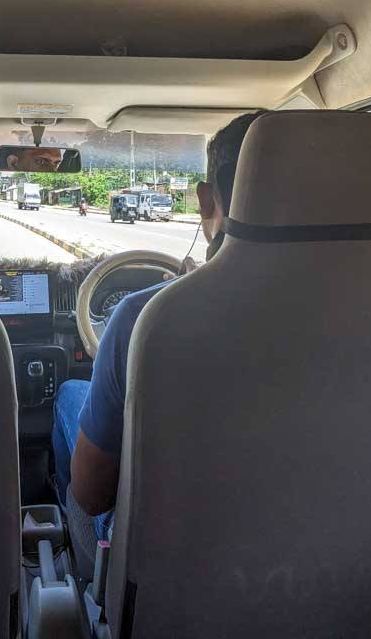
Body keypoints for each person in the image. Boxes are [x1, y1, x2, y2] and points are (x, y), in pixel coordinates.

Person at [51, 109, 269, 549]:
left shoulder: (143, 316)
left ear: (206, 200)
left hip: (168, 558)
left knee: (72, 394)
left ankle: (71, 547)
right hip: (335, 557)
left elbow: (93, 494)